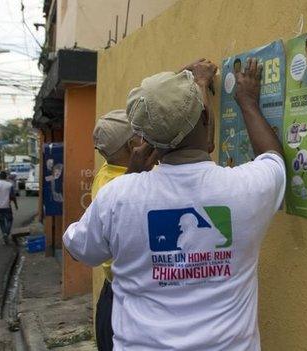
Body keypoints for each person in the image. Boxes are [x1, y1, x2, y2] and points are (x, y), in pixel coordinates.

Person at [63, 58, 285, 350]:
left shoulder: (117, 197)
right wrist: (247, 102)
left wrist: (130, 179)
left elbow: (78, 247)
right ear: (206, 119)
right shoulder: (246, 188)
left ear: (145, 139)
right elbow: (273, 158)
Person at [91, 109, 142, 351]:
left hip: (111, 292)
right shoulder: (120, 187)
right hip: (125, 298)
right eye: (141, 134)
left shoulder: (107, 170)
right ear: (133, 145)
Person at [0, 171, 18, 245]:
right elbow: (13, 196)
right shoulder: (9, 185)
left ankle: (4, 234)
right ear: (6, 177)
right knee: (10, 220)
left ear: (0, 176)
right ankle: (6, 233)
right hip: (7, 206)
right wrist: (16, 205)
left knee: (2, 222)